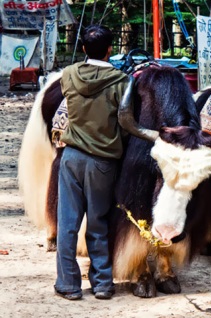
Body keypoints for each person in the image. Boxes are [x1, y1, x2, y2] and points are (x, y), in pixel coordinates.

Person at [54, 25, 129, 300]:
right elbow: (126, 122)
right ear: (110, 49)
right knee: (98, 222)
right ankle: (102, 284)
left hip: (71, 158)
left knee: (68, 223)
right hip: (103, 162)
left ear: (83, 48)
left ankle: (69, 284)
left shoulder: (69, 74)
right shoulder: (122, 81)